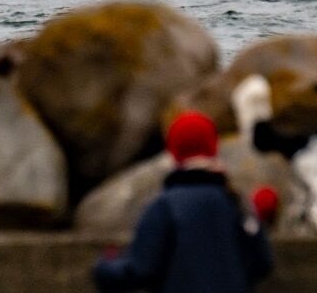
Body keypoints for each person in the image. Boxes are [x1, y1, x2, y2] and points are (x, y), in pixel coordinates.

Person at [92, 111, 275, 293]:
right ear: (214, 147)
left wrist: (106, 265)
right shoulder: (237, 203)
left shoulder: (164, 206)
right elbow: (262, 262)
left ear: (173, 151)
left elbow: (140, 269)